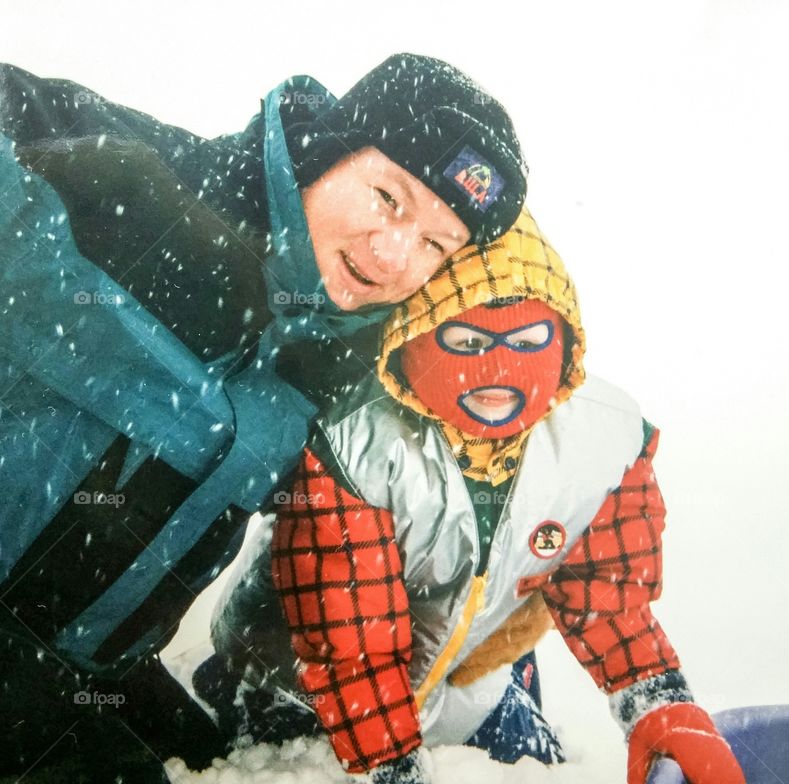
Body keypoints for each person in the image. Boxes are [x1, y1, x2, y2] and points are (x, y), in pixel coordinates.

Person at [0, 54, 527, 782]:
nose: (393, 252)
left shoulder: (343, 362)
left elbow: (418, 492)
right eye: (388, 197)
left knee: (239, 769)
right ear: (327, 153)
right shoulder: (133, 188)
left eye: (438, 244)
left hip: (90, 664)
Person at [197, 210, 747, 783]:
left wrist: (657, 700)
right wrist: (392, 769)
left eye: (530, 340)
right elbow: (351, 639)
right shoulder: (358, 447)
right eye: (466, 340)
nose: (500, 369)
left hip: (466, 675)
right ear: (412, 338)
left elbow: (604, 592)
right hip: (301, 685)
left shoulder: (604, 444)